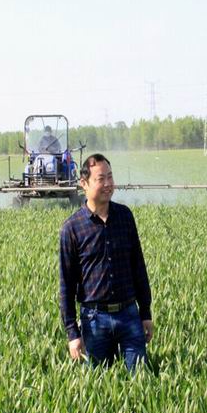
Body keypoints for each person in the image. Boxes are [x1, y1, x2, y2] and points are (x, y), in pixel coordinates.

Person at [59, 154, 154, 370]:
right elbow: (66, 285)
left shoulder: (125, 216)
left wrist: (145, 313)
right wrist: (73, 333)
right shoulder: (72, 228)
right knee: (99, 382)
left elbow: (138, 267)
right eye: (101, 179)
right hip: (94, 320)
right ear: (84, 183)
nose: (108, 184)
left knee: (140, 378)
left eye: (110, 177)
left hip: (129, 314)